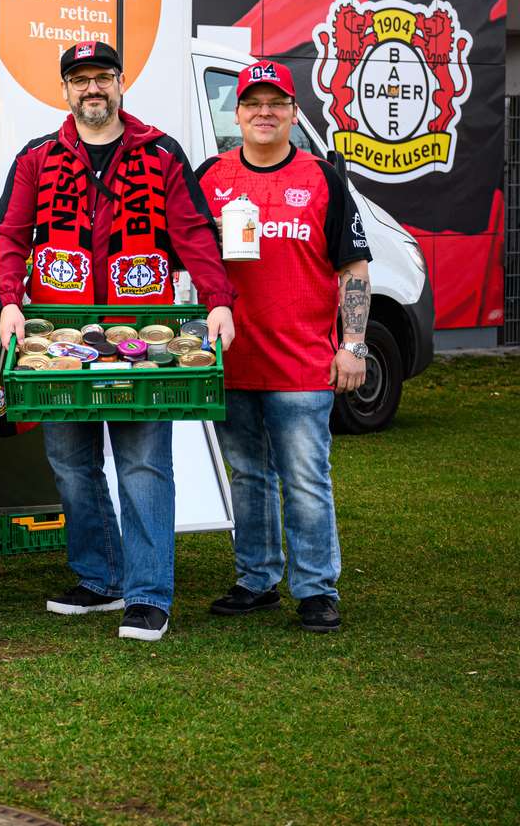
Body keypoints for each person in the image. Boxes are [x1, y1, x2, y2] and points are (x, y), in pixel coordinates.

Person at [0, 40, 237, 643]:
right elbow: (10, 234)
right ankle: (101, 578)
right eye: (80, 79)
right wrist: (8, 298)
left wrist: (219, 300)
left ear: (121, 81)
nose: (92, 88)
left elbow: (196, 235)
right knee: (71, 464)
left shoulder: (160, 153)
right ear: (65, 89)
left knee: (144, 464)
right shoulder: (37, 157)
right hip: (59, 343)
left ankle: (149, 595)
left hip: (141, 343)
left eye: (102, 77)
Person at [195, 61, 368, 633]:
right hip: (232, 359)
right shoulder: (209, 178)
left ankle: (317, 589)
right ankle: (257, 578)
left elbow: (355, 267)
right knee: (246, 474)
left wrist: (355, 344)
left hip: (302, 363)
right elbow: (186, 260)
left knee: (305, 479)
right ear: (236, 113)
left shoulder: (324, 177)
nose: (263, 113)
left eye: (276, 103)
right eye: (252, 103)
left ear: (294, 113)